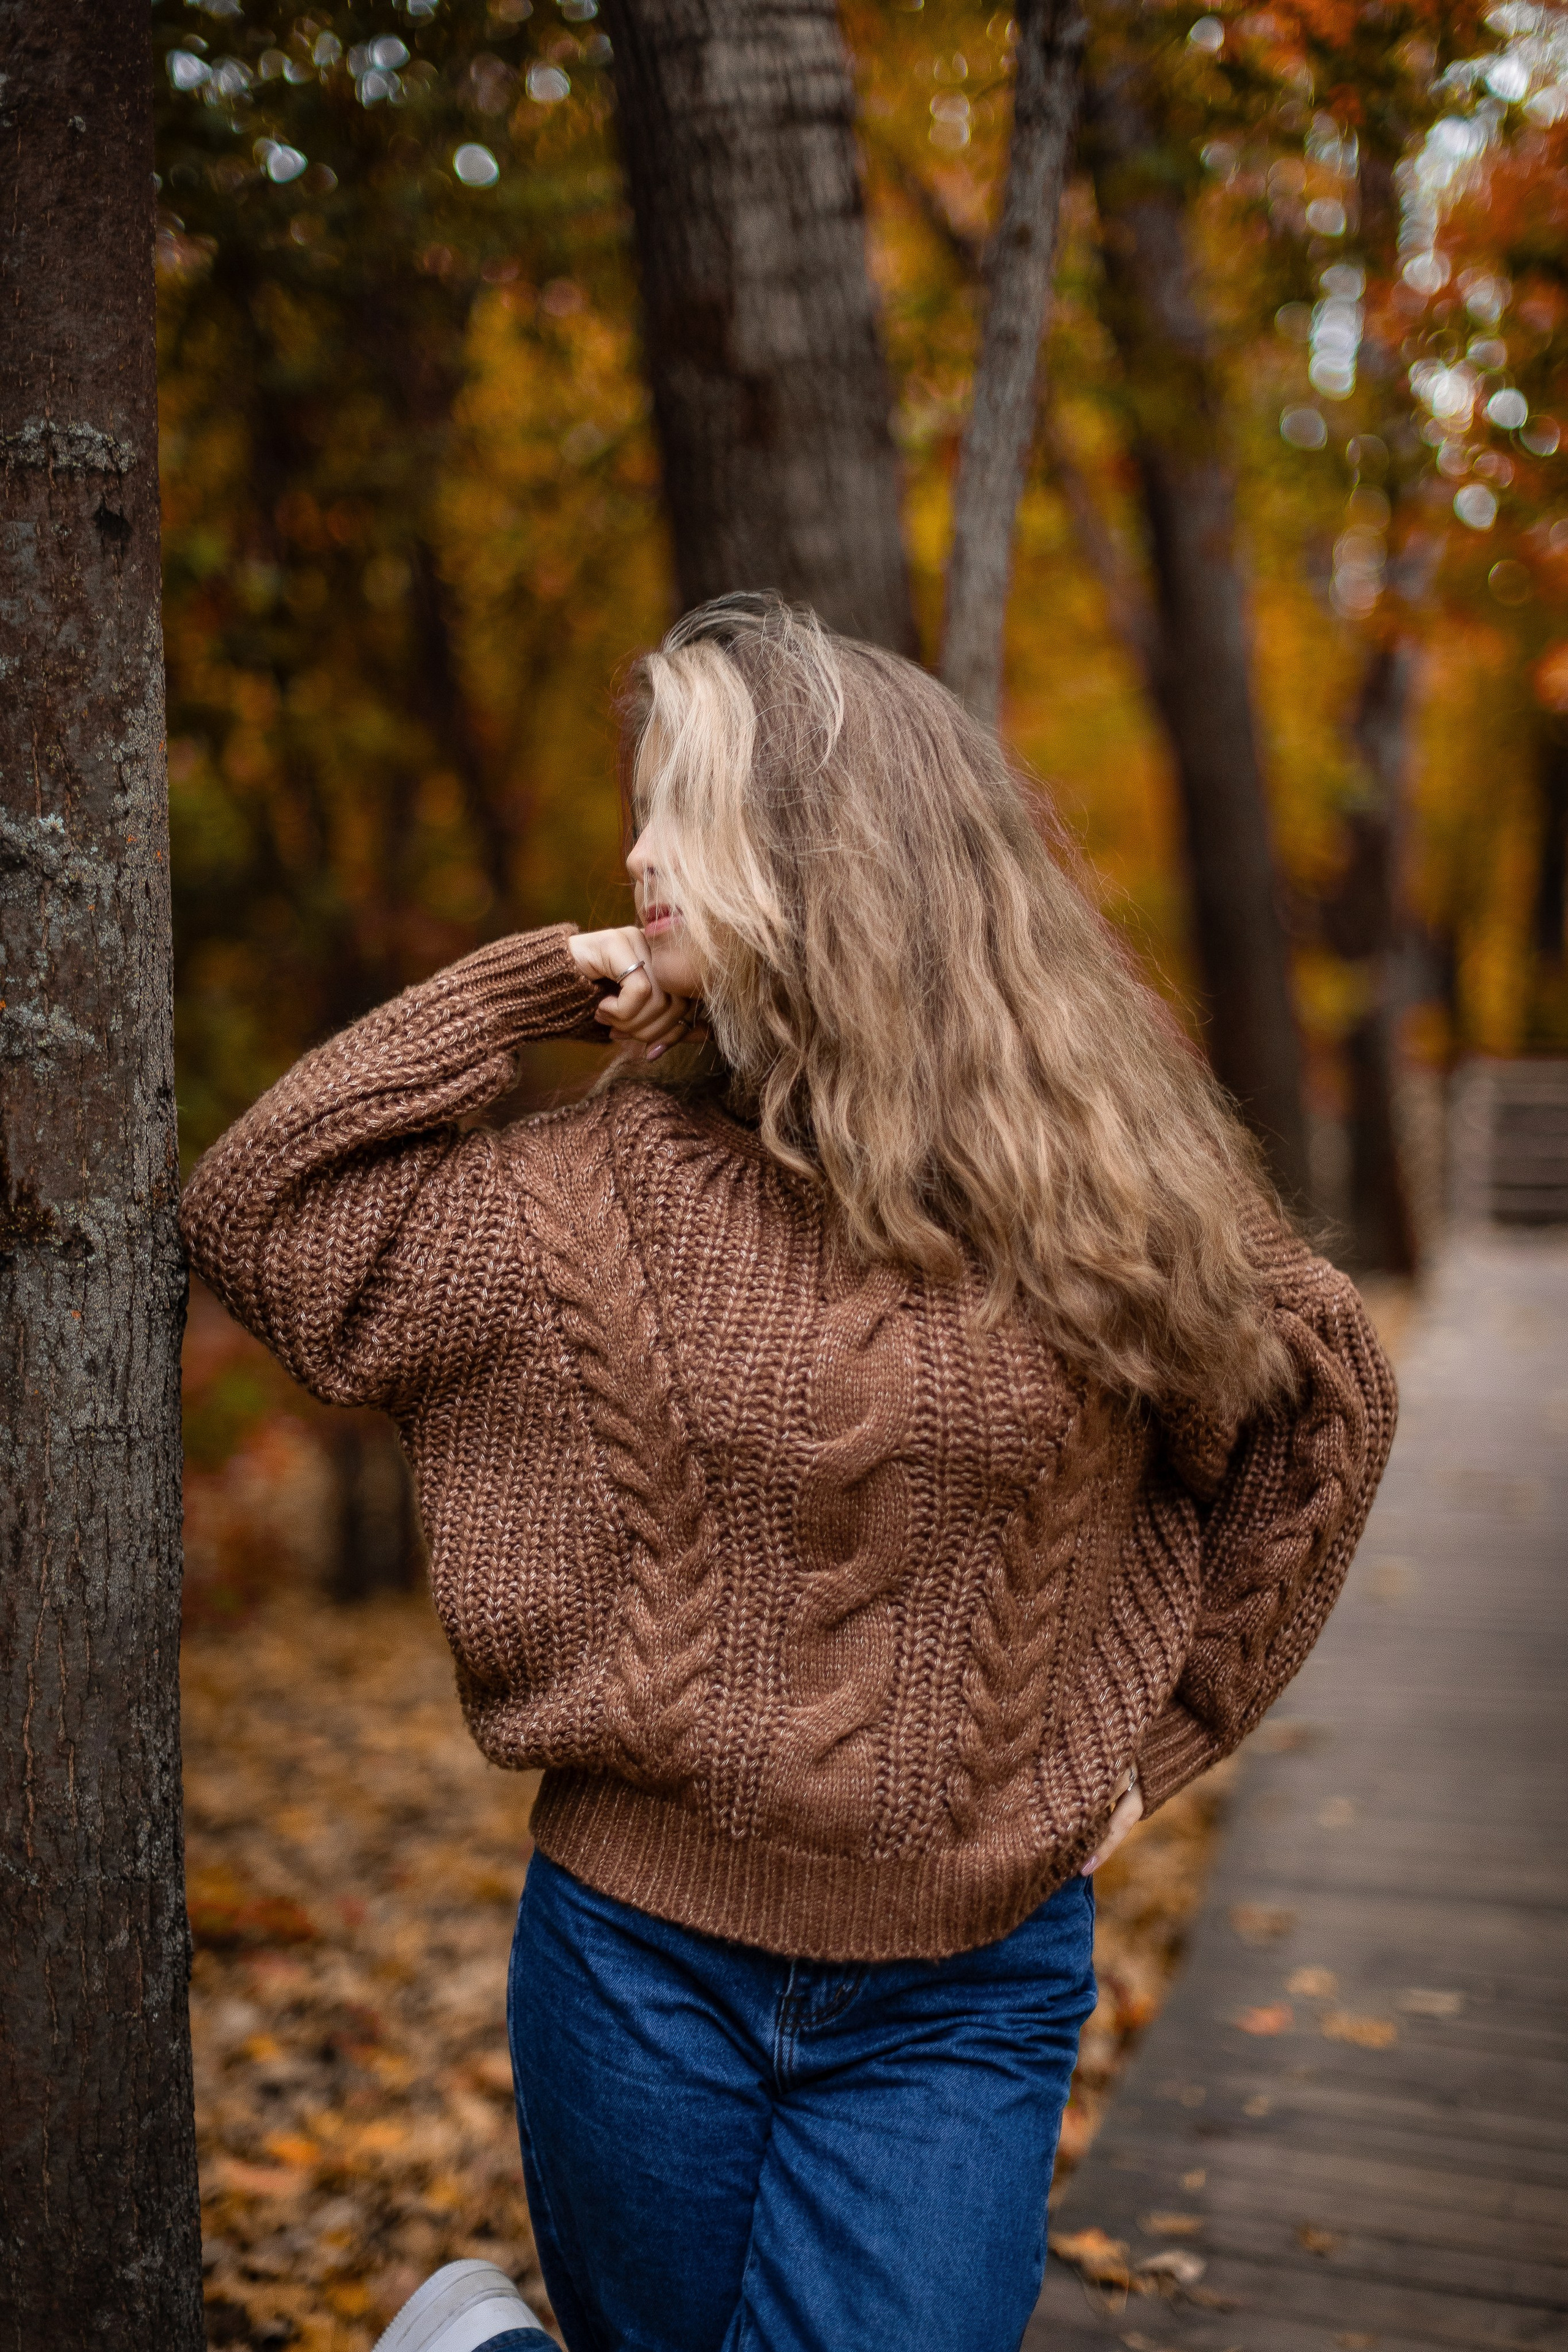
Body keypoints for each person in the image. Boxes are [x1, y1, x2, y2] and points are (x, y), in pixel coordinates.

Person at [181, 594, 1396, 2352]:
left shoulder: (1095, 1195)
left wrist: (1149, 1757)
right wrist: (529, 987)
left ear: (820, 848)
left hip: (965, 1986)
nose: (635, 847)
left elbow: (1321, 1407)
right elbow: (261, 1213)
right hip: (635, 1959)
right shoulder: (581, 1197)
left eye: (681, 804)